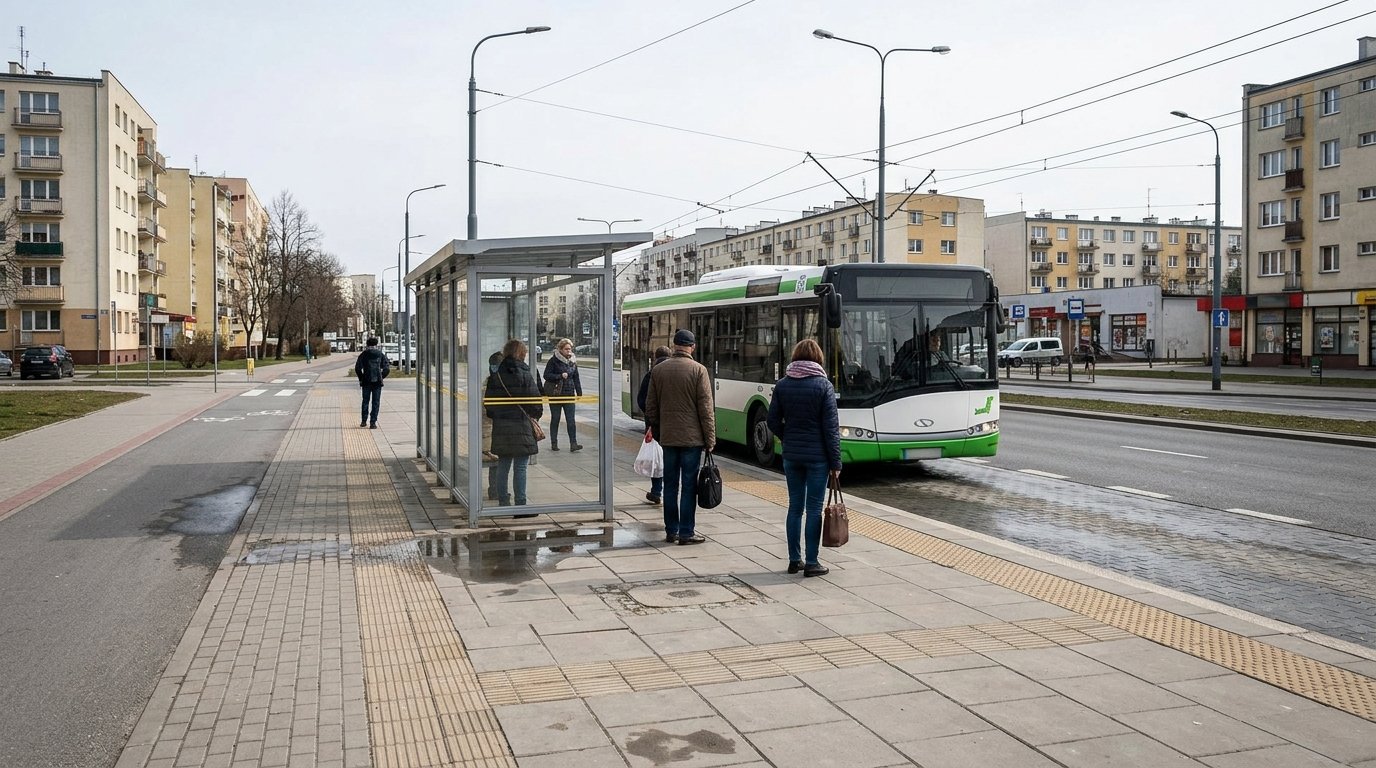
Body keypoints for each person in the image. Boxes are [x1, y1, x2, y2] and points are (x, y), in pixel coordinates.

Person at [766, 339, 841, 577]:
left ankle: (793, 559)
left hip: (792, 456)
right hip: (818, 457)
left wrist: (787, 437)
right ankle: (812, 562)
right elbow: (831, 428)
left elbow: (772, 421)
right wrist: (836, 462)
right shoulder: (824, 386)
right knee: (814, 509)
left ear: (795, 357)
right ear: (818, 357)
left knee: (795, 508)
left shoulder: (783, 385)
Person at [644, 329, 715, 545]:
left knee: (671, 485)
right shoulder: (699, 370)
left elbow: (651, 406)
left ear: (674, 345)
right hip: (692, 440)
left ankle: (671, 530)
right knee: (689, 486)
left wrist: (656, 430)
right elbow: (706, 408)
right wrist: (710, 439)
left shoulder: (659, 370)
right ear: (692, 347)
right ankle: (686, 532)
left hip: (668, 438)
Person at [485, 339, 543, 509]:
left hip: (502, 426)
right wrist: (534, 416)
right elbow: (535, 402)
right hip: (521, 425)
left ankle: (503, 502)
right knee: (520, 467)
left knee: (503, 465)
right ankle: (521, 504)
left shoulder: (496, 376)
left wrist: (500, 416)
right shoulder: (525, 373)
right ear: (522, 354)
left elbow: (489, 406)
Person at [637, 345, 673, 504]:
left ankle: (657, 491)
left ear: (655, 356)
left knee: (655, 458)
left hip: (654, 425)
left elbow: (641, 399)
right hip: (673, 424)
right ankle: (670, 491)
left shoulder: (651, 374)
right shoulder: (675, 372)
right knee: (670, 457)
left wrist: (651, 418)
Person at [542, 338, 583, 451]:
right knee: (555, 418)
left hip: (569, 394)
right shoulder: (553, 361)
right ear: (560, 349)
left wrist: (579, 392)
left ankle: (573, 443)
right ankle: (554, 443)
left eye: (570, 349)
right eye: (566, 349)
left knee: (571, 420)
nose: (568, 351)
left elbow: (576, 377)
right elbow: (546, 375)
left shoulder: (573, 362)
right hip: (556, 394)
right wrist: (559, 376)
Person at [354, 337, 389, 429]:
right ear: (376, 345)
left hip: (366, 380)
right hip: (377, 381)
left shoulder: (363, 354)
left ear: (367, 344)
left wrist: (361, 378)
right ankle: (373, 422)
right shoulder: (380, 354)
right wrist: (381, 376)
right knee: (376, 402)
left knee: (365, 401)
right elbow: (386, 369)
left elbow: (357, 368)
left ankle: (363, 421)